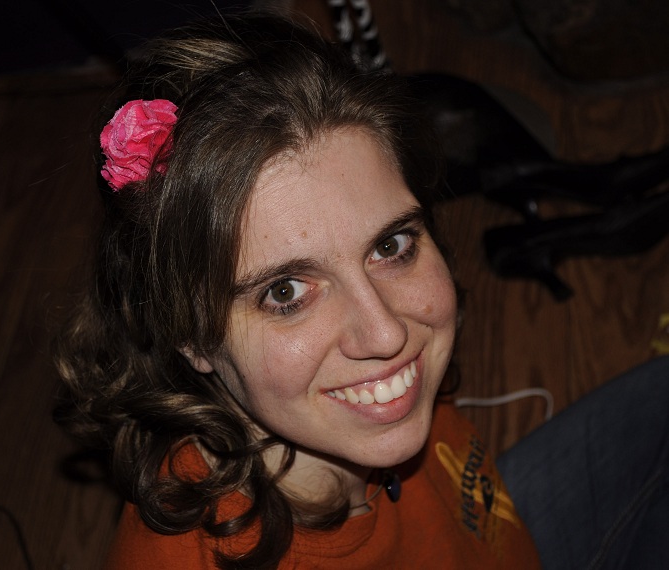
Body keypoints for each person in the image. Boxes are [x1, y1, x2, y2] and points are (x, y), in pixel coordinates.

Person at [54, 12, 669, 570]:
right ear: (188, 334)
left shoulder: (360, 400)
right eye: (285, 291)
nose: (388, 333)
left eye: (390, 246)